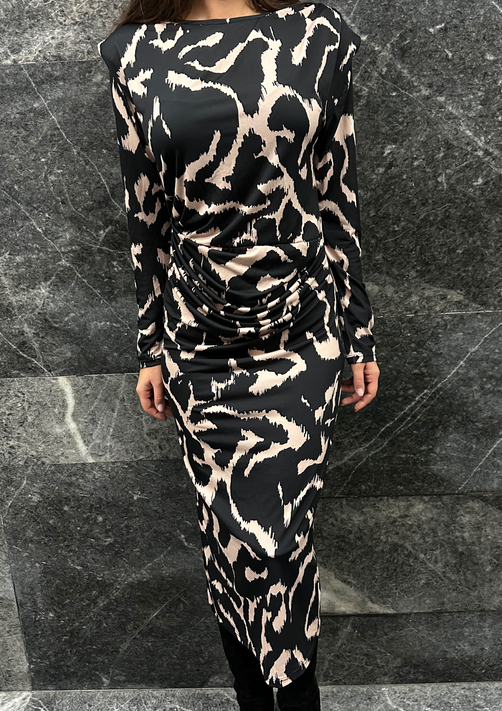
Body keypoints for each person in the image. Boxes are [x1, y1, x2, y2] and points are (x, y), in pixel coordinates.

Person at [98, 0, 380, 707]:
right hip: (200, 340)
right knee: (225, 531)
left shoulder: (318, 33)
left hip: (303, 329)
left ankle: (295, 692)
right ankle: (253, 693)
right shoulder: (134, 52)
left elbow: (336, 192)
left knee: (282, 532)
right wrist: (150, 344)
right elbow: (145, 213)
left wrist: (359, 330)